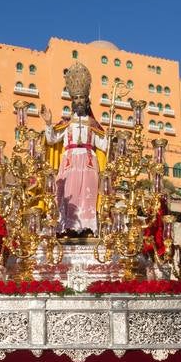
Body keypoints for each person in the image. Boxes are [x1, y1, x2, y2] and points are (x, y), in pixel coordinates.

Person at [41, 62, 106, 235]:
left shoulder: (93, 124)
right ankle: (67, 227)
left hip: (89, 163)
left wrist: (110, 135)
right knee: (68, 195)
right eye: (75, 98)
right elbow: (51, 139)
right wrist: (48, 123)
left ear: (87, 101)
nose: (78, 101)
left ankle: (87, 228)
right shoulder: (66, 124)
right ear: (72, 101)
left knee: (88, 196)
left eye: (81, 98)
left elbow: (104, 146)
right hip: (69, 163)